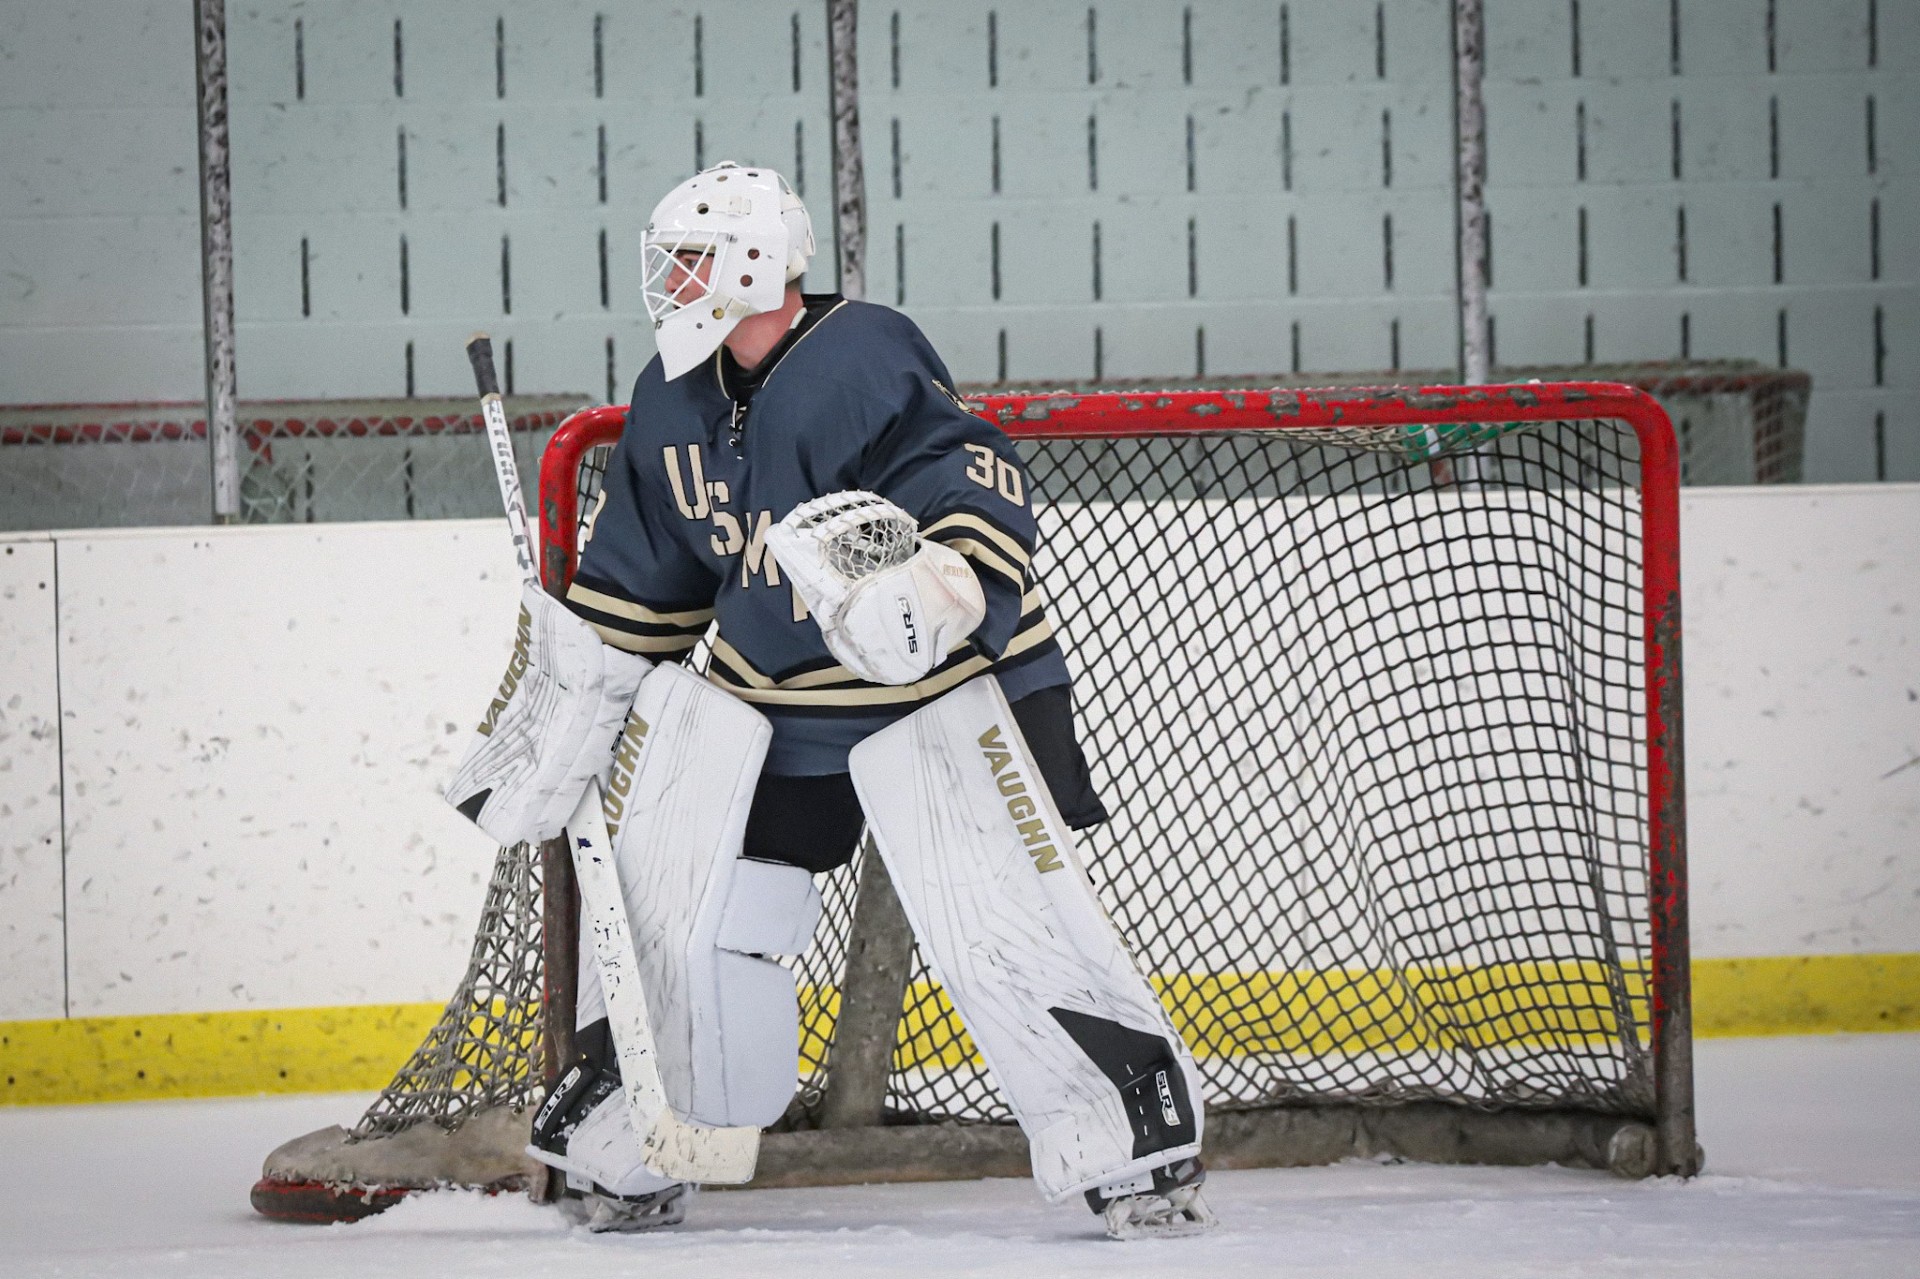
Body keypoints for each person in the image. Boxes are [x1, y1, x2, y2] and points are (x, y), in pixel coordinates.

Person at [445, 162, 1214, 1240]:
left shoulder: (866, 354)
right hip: (775, 706)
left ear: (758, 260)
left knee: (998, 923)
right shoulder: (670, 396)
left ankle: (1131, 1141)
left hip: (938, 691)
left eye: (693, 259)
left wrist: (938, 588)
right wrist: (563, 707)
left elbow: (967, 482)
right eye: (670, 261)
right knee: (687, 914)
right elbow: (644, 585)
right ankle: (644, 1134)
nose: (673, 281)